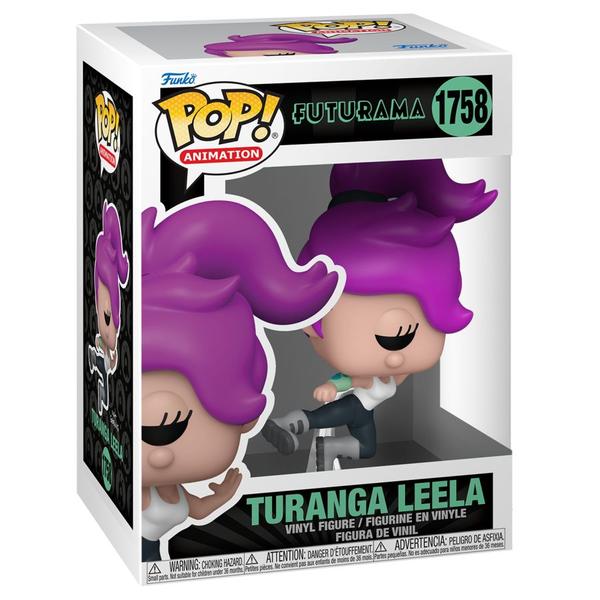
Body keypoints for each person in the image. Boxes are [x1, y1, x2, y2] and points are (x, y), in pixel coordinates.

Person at [262, 159, 498, 471]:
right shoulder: (364, 374)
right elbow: (347, 379)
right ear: (311, 320)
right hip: (355, 406)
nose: (396, 358)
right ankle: (291, 424)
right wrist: (332, 387)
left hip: (365, 413)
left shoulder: (393, 373)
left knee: (367, 447)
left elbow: (382, 374)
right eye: (391, 338)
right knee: (326, 416)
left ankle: (327, 448)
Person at [141, 199, 339, 561]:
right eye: (156, 428)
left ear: (245, 416)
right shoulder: (140, 489)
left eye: (165, 429)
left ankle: (300, 425)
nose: (162, 453)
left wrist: (224, 495)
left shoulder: (173, 490)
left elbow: (197, 509)